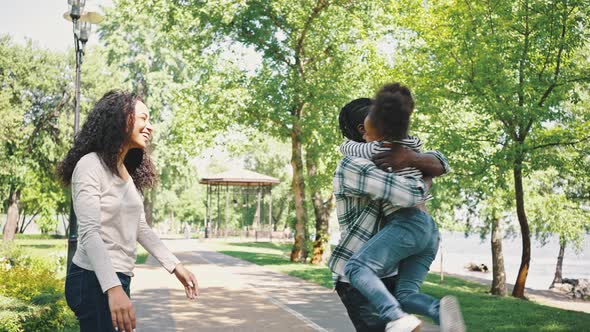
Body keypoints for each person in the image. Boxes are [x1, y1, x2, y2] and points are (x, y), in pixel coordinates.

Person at [58, 90, 199, 332]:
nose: (150, 127)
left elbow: (140, 227)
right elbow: (90, 233)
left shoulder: (125, 173)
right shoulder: (90, 165)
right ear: (122, 119)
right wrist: (112, 289)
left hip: (117, 277)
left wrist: (175, 266)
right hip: (92, 279)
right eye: (143, 118)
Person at [342, 83, 465, 332]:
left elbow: (347, 147)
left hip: (408, 222)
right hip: (429, 231)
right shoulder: (412, 144)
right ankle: (437, 310)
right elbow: (440, 160)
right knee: (406, 293)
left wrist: (422, 182)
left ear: (374, 131)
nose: (363, 137)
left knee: (355, 268)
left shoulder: (376, 149)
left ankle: (397, 317)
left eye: (366, 132)